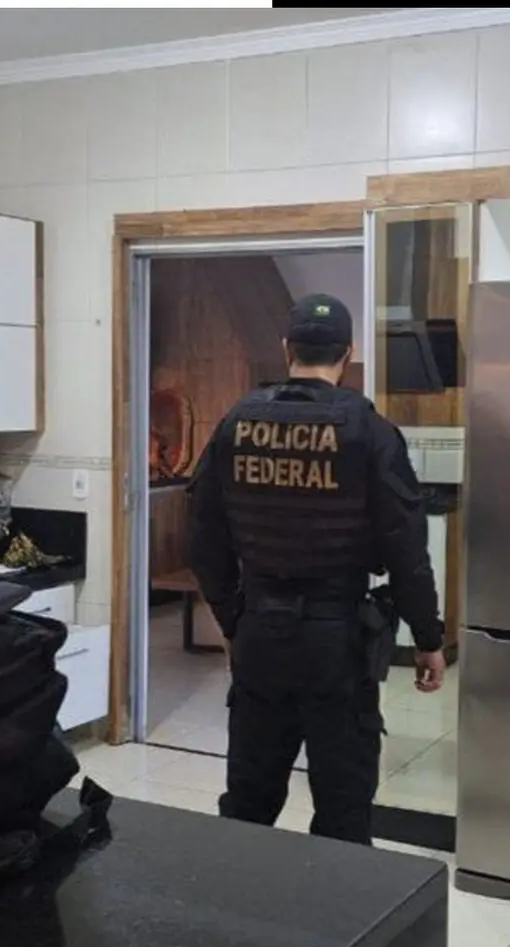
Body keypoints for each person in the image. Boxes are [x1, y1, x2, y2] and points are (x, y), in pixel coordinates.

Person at [187, 292, 446, 846]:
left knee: (248, 804)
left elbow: (204, 538)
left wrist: (232, 622)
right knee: (343, 810)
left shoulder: (236, 424)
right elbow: (407, 550)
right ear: (348, 353)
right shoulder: (369, 432)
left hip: (261, 634)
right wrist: (428, 638)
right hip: (338, 643)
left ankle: (236, 902)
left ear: (288, 348)